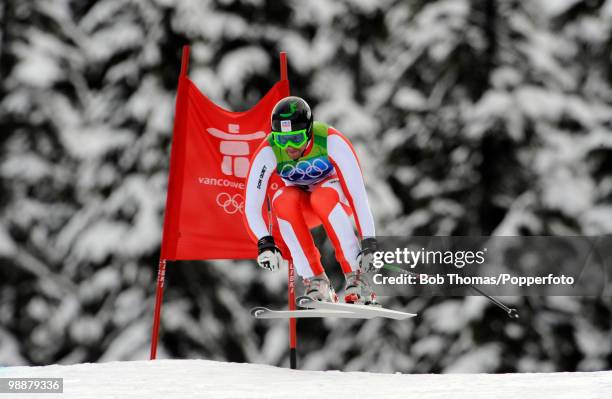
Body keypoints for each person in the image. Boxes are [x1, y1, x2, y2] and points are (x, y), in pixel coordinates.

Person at [245, 96, 378, 305]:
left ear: (308, 131)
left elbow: (358, 197)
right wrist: (265, 244)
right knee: (282, 200)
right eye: (282, 139)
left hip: (335, 201)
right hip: (304, 208)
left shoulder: (330, 140)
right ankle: (316, 281)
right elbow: (251, 206)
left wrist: (369, 243)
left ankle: (357, 277)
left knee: (322, 197)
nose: (289, 147)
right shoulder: (268, 151)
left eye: (296, 139)